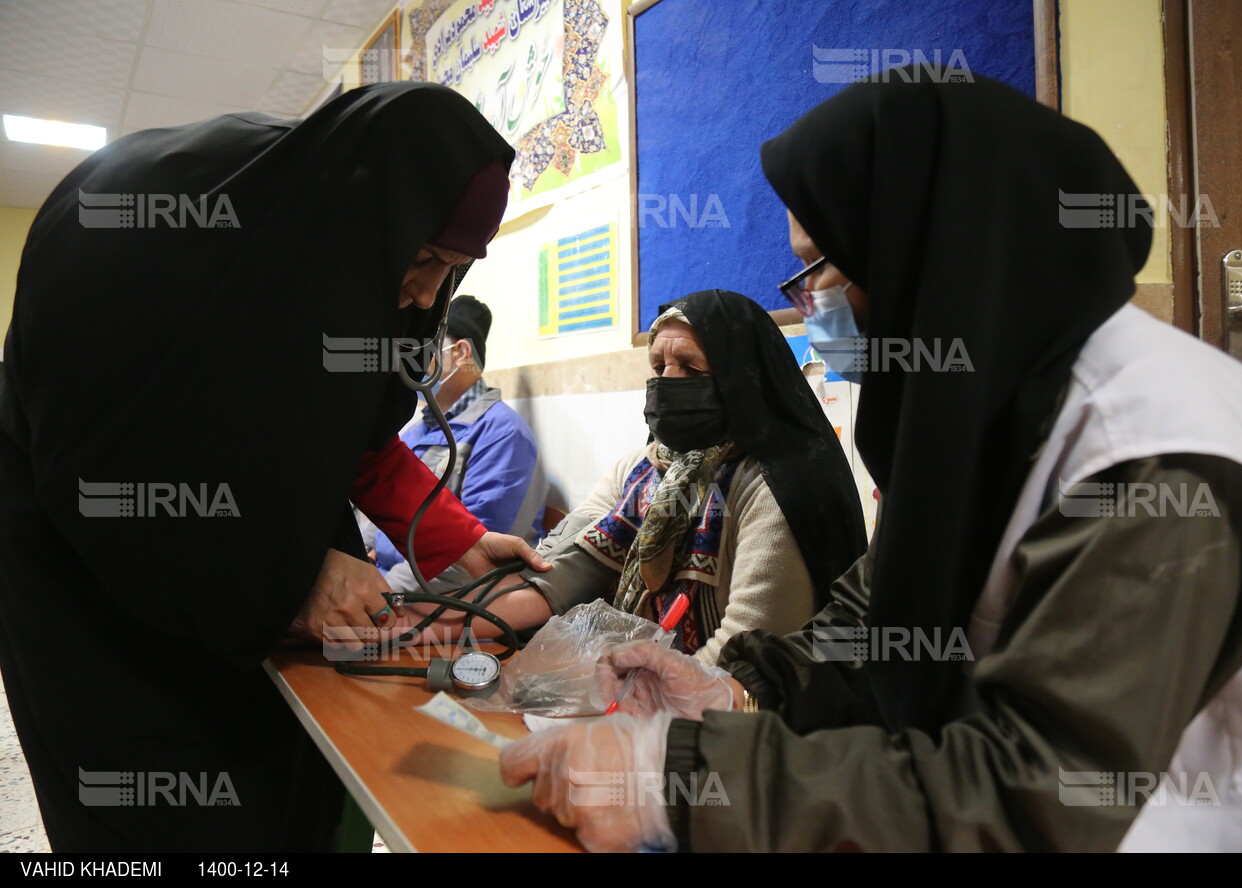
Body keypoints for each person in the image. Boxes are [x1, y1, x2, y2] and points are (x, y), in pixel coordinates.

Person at [498, 71, 1242, 852]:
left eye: (822, 269)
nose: (813, 304)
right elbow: (876, 623)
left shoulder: (1161, 457)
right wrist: (736, 689)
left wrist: (680, 779)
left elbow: (1031, 798)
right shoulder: (999, 407)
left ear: (930, 257)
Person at [0, 82, 549, 852]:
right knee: (171, 812)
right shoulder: (137, 225)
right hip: (99, 584)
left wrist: (454, 540)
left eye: (451, 270)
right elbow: (104, 476)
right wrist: (290, 578)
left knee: (289, 780)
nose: (424, 292)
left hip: (243, 575)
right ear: (368, 214)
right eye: (422, 256)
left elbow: (348, 434)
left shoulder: (350, 271)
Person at [406, 290, 867, 666]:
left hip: (730, 718)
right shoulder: (643, 470)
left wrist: (632, 707)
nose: (667, 380)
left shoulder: (773, 486)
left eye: (689, 367)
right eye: (659, 366)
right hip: (645, 689)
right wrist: (412, 625)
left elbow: (744, 653)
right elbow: (565, 568)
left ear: (742, 378)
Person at [364, 294, 548, 596]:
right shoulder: (415, 431)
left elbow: (470, 557)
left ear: (460, 352)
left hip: (445, 599)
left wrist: (377, 592)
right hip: (389, 584)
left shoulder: (503, 434)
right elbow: (375, 509)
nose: (411, 363)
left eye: (421, 350)